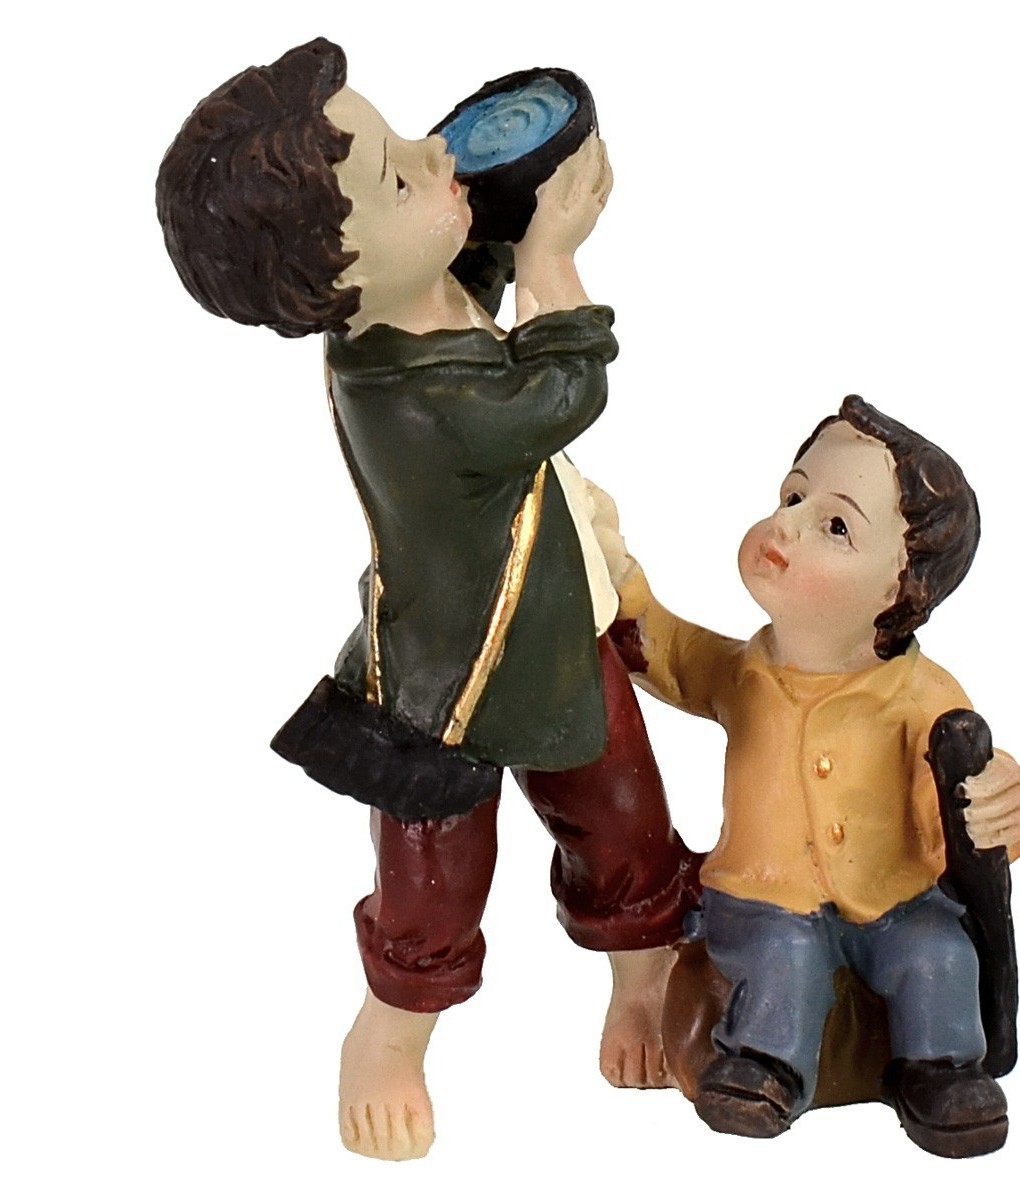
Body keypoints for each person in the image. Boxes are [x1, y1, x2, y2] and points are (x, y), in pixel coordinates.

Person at [156, 38, 699, 1161]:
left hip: (558, 634)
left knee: (624, 818)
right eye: (399, 180)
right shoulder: (413, 396)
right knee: (433, 884)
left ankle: (644, 982)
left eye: (407, 139)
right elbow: (560, 387)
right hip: (448, 690)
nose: (435, 159)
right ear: (338, 278)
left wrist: (513, 203)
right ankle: (388, 1038)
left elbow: (468, 278)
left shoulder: (409, 301)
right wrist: (555, 258)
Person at [590, 395, 1020, 1157]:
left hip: (894, 900)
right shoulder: (743, 672)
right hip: (765, 899)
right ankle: (765, 1068)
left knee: (938, 955)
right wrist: (618, 576)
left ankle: (940, 1073)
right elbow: (665, 648)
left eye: (835, 526)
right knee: (782, 958)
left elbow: (963, 790)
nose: (786, 525)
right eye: (792, 497)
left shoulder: (923, 696)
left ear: (900, 589)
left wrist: (1003, 799)